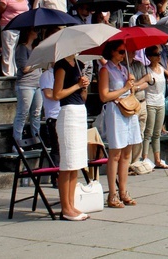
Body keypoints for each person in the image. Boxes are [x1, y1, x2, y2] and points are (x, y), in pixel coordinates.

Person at [98, 40, 140, 208]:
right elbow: (104, 96)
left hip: (128, 109)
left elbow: (131, 91)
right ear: (112, 52)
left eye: (125, 52)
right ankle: (112, 193)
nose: (124, 55)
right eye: (121, 52)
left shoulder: (124, 69)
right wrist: (124, 88)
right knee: (115, 153)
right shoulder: (105, 70)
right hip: (115, 110)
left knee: (127, 153)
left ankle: (123, 191)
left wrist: (132, 85)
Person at [52, 54, 91, 221]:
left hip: (79, 110)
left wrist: (84, 86)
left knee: (76, 162)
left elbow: (83, 95)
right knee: (67, 163)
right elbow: (57, 94)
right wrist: (76, 85)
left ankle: (71, 204)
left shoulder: (77, 63)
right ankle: (65, 207)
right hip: (68, 113)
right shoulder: (61, 65)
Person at [142, 46, 168, 169]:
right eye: (155, 54)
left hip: (161, 102)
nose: (159, 56)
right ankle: (144, 158)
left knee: (157, 133)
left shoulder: (161, 68)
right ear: (149, 57)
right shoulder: (147, 70)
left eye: (159, 54)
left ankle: (157, 159)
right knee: (148, 132)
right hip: (150, 102)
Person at [13, 27, 42, 142]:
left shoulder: (35, 48)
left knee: (36, 113)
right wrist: (38, 63)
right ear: (28, 32)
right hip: (26, 84)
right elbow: (24, 68)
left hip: (37, 83)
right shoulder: (21, 48)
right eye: (35, 30)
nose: (37, 32)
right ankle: (17, 141)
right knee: (22, 114)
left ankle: (37, 138)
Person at [0, 0, 29, 76]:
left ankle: (15, 71)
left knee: (17, 49)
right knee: (8, 49)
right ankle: (8, 72)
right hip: (8, 26)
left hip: (21, 27)